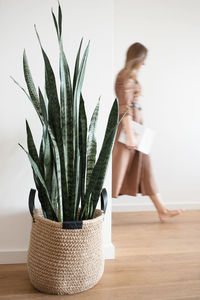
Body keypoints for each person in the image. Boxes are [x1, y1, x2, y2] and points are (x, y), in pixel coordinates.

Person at [112, 42, 185, 223]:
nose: (145, 64)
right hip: (128, 132)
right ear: (137, 59)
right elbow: (124, 108)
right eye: (143, 61)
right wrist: (129, 134)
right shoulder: (125, 77)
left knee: (145, 169)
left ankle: (162, 210)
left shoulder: (129, 77)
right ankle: (99, 214)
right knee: (116, 172)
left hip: (136, 131)